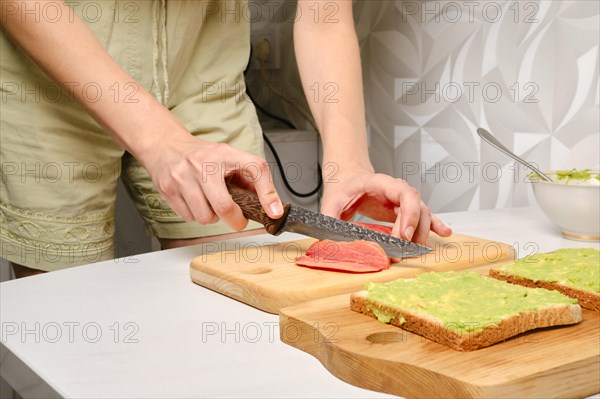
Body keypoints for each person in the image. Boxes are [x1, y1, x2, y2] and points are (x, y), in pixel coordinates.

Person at [0, 0, 451, 278]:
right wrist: (162, 141)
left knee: (230, 295)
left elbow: (325, 16)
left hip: (206, 67)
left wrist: (348, 166)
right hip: (51, 78)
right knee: (72, 326)